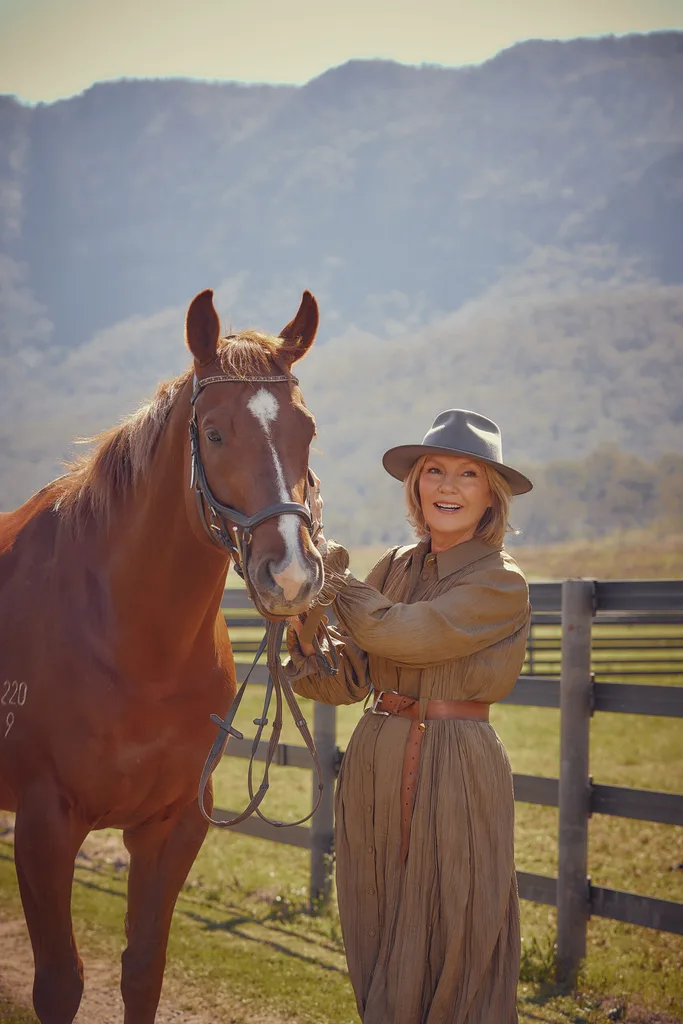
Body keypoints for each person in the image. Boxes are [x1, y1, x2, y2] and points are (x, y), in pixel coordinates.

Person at [286, 409, 533, 1024]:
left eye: (468, 474)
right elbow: (350, 677)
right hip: (376, 756)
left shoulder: (501, 582)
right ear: (415, 485)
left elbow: (406, 633)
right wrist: (301, 632)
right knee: (377, 914)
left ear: (490, 495)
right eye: (434, 471)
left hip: (455, 762)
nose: (448, 487)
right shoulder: (394, 565)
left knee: (458, 919)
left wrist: (330, 574)